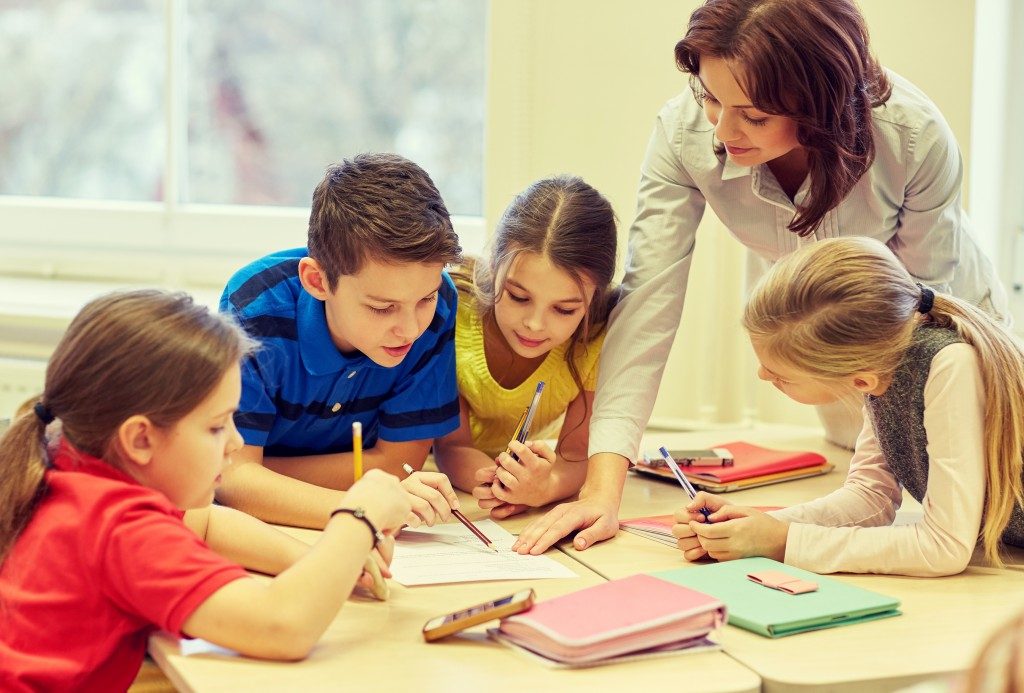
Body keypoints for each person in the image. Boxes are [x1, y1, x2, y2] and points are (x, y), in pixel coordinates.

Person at [512, 0, 1008, 556]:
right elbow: (646, 305)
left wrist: (781, 541)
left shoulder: (914, 137)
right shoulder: (684, 135)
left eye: (754, 115)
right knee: (871, 478)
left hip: (936, 330)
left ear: (820, 107)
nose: (722, 132)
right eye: (709, 97)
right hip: (838, 353)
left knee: (981, 515)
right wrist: (603, 491)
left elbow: (916, 326)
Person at [0, 290, 413, 691]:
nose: (234, 442)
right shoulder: (120, 524)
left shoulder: (67, 464)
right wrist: (358, 515)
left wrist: (321, 563)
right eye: (217, 426)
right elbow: (281, 626)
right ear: (140, 440)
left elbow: (206, 523)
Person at [672, 237, 1024, 576]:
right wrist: (755, 528)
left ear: (859, 380)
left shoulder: (949, 366)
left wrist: (783, 543)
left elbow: (944, 548)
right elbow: (869, 497)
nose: (763, 375)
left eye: (781, 376)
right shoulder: (883, 359)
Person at [218, 153, 464, 529]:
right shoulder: (255, 309)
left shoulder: (440, 303)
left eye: (425, 299)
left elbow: (400, 463)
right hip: (266, 527)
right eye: (382, 308)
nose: (411, 329)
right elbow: (231, 482)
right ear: (317, 281)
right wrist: (360, 510)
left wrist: (258, 472)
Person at [433, 176, 618, 517]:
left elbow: (577, 457)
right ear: (494, 267)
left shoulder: (597, 338)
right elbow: (451, 445)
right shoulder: (454, 311)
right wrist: (492, 481)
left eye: (564, 309)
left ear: (594, 298)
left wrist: (544, 487)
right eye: (519, 297)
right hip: (438, 476)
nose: (534, 324)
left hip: (520, 472)